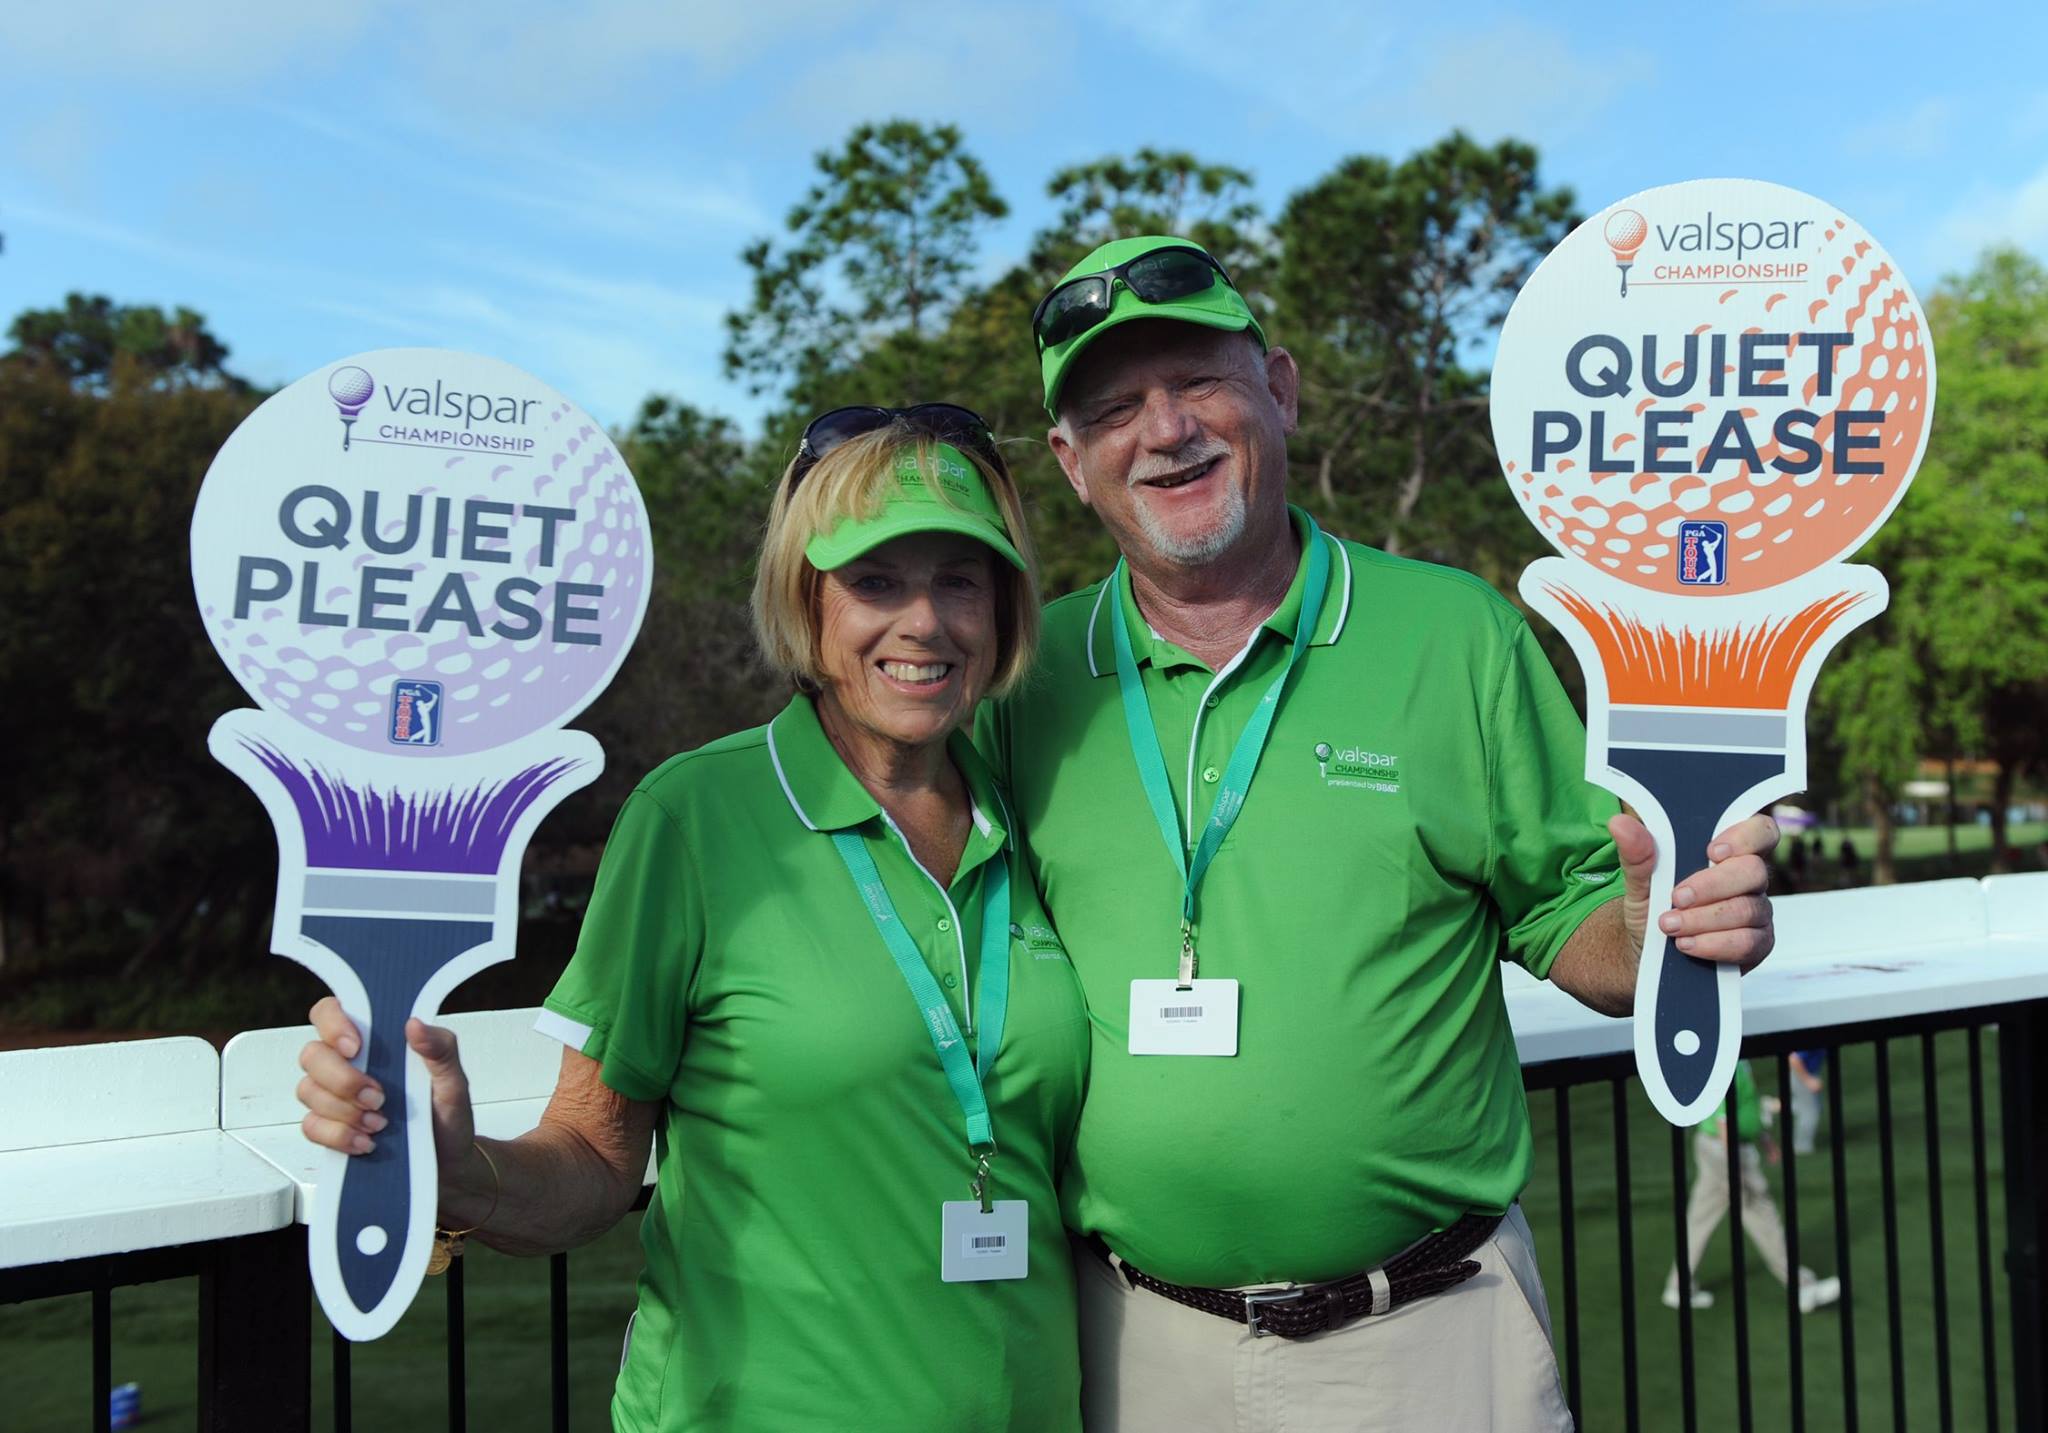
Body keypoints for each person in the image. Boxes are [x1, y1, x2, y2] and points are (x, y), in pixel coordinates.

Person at [980, 236, 1780, 1431]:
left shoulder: (1453, 633)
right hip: (1132, 1349)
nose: (1164, 430)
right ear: (1070, 461)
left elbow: (1577, 926)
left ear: (1280, 390)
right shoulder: (1024, 684)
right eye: (1111, 408)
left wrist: (1662, 918)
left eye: (1198, 381)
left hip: (1429, 1337)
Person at [297, 412, 1090, 1430]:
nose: (925, 621)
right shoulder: (693, 816)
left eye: (959, 578)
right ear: (806, 598)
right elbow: (590, 1163)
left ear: (1004, 604)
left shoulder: (1031, 811)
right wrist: (453, 1166)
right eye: (876, 581)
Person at [1664, 1062, 1840, 1313]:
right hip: (1725, 1152)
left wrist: (1764, 1139)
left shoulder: (1737, 1061)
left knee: (1700, 1218)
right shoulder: (1726, 1064)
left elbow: (1746, 1105)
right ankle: (1802, 1287)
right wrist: (1734, 1166)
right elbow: (1723, 1118)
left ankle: (1678, 1288)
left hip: (1714, 1147)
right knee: (1762, 1215)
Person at [1789, 1049, 1827, 1155]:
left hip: (1806, 1074)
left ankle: (1772, 1105)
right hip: (1801, 1075)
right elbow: (1794, 1059)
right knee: (1809, 1112)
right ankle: (1801, 1148)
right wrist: (1807, 1080)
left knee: (1808, 1108)